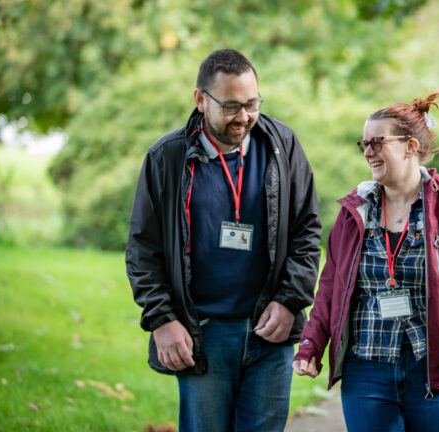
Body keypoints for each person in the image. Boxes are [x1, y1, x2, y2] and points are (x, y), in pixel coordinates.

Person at [126, 49, 321, 432]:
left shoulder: (282, 145)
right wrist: (162, 320)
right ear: (201, 100)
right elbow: (142, 250)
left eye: (252, 104)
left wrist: (289, 301)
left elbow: (306, 230)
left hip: (270, 331)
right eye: (231, 106)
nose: (244, 117)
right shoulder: (166, 157)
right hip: (202, 333)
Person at [293, 91, 439, 432]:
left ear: (410, 147)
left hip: (434, 367)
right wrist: (312, 343)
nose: (367, 152)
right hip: (366, 368)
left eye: (377, 142)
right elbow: (330, 287)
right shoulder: (354, 212)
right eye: (364, 143)